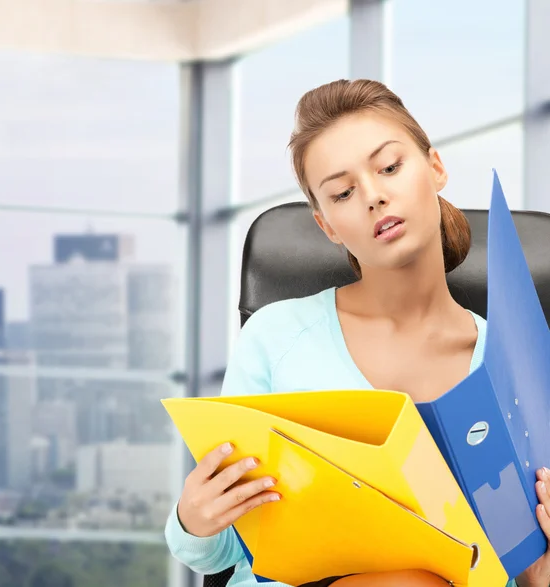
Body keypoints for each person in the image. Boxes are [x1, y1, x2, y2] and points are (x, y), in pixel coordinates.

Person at [164, 79, 550, 587]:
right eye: (343, 193)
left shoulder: (515, 368)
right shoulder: (277, 337)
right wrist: (196, 517)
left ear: (435, 168)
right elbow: (222, 549)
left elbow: (524, 567)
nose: (373, 196)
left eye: (390, 167)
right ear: (327, 225)